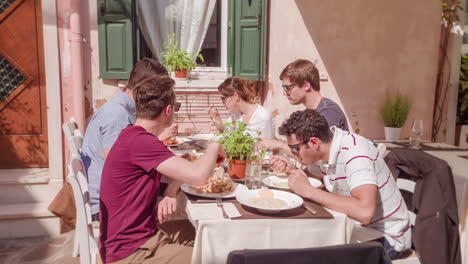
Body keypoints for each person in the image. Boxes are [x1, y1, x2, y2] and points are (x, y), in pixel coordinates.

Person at [99, 76, 223, 264]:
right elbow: (199, 176)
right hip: (130, 252)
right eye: (176, 106)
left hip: (133, 238)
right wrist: (215, 146)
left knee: (208, 234)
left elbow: (183, 168)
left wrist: (171, 189)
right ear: (168, 110)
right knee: (219, 256)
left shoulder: (132, 134)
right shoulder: (142, 142)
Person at [270, 109, 411, 260]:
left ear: (314, 142)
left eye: (295, 149)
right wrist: (291, 171)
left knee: (310, 253)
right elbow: (310, 179)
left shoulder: (355, 153)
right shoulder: (325, 151)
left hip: (386, 237)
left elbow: (365, 212)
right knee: (297, 241)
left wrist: (309, 191)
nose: (294, 154)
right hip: (353, 226)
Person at [81, 58, 177, 220]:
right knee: (179, 194)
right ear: (147, 89)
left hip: (106, 196)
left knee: (174, 187)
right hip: (106, 206)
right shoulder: (118, 115)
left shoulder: (122, 107)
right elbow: (118, 169)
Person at [261, 59, 348, 155]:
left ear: (306, 85)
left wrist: (280, 145)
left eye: (288, 87)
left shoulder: (328, 113)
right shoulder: (312, 112)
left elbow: (316, 156)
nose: (284, 92)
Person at [208, 77, 274, 139]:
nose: (222, 102)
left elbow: (268, 148)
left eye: (223, 99)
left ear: (236, 96)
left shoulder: (263, 116)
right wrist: (217, 119)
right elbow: (226, 132)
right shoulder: (236, 113)